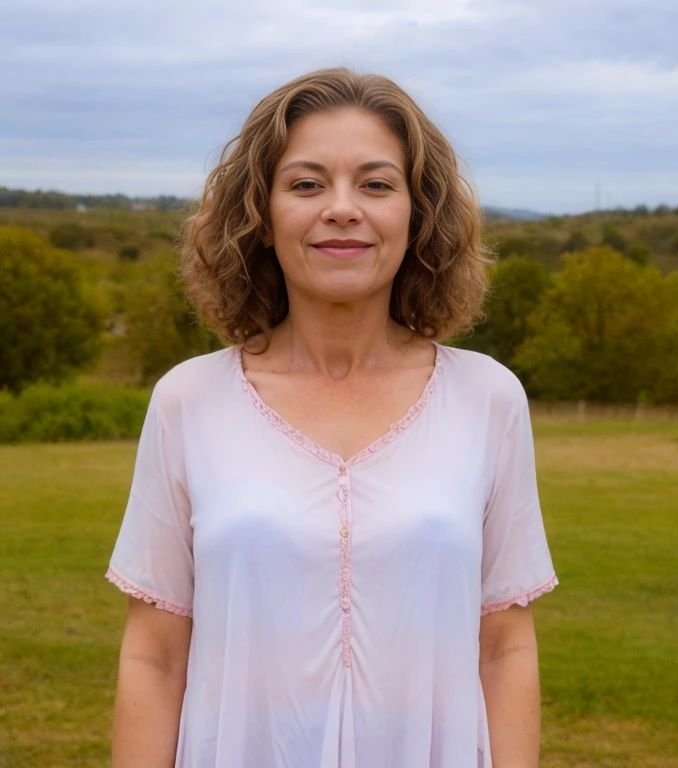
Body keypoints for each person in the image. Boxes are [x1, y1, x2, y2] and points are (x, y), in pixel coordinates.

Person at [106, 67, 558, 768]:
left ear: (417, 214)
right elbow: (154, 655)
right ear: (260, 216)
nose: (342, 209)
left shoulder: (488, 398)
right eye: (307, 184)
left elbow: (504, 646)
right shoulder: (187, 401)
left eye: (376, 184)